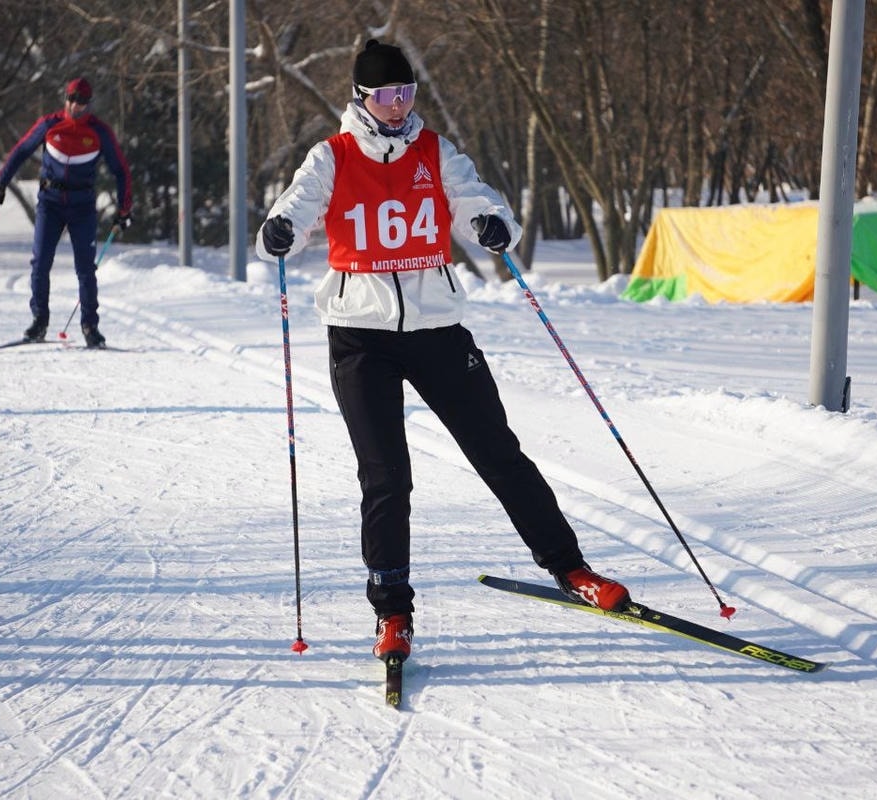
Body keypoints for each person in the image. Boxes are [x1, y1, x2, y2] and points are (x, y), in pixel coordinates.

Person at [256, 40, 630, 665]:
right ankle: (392, 610)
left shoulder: (435, 151)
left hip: (437, 328)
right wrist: (282, 230)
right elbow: (296, 206)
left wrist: (493, 225)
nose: (398, 105)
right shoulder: (333, 155)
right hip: (360, 335)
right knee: (386, 476)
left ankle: (571, 569)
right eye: (386, 95)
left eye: (406, 93)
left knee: (498, 452)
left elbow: (476, 198)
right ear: (362, 98)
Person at [0, 77, 133, 348]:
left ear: (89, 103)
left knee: (85, 268)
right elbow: (21, 151)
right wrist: (0, 182)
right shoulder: (49, 124)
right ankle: (39, 321)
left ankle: (90, 327)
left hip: (82, 206)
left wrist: (124, 209)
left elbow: (121, 170)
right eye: (72, 99)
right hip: (50, 203)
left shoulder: (99, 132)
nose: (76, 106)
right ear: (65, 99)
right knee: (40, 262)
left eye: (82, 101)